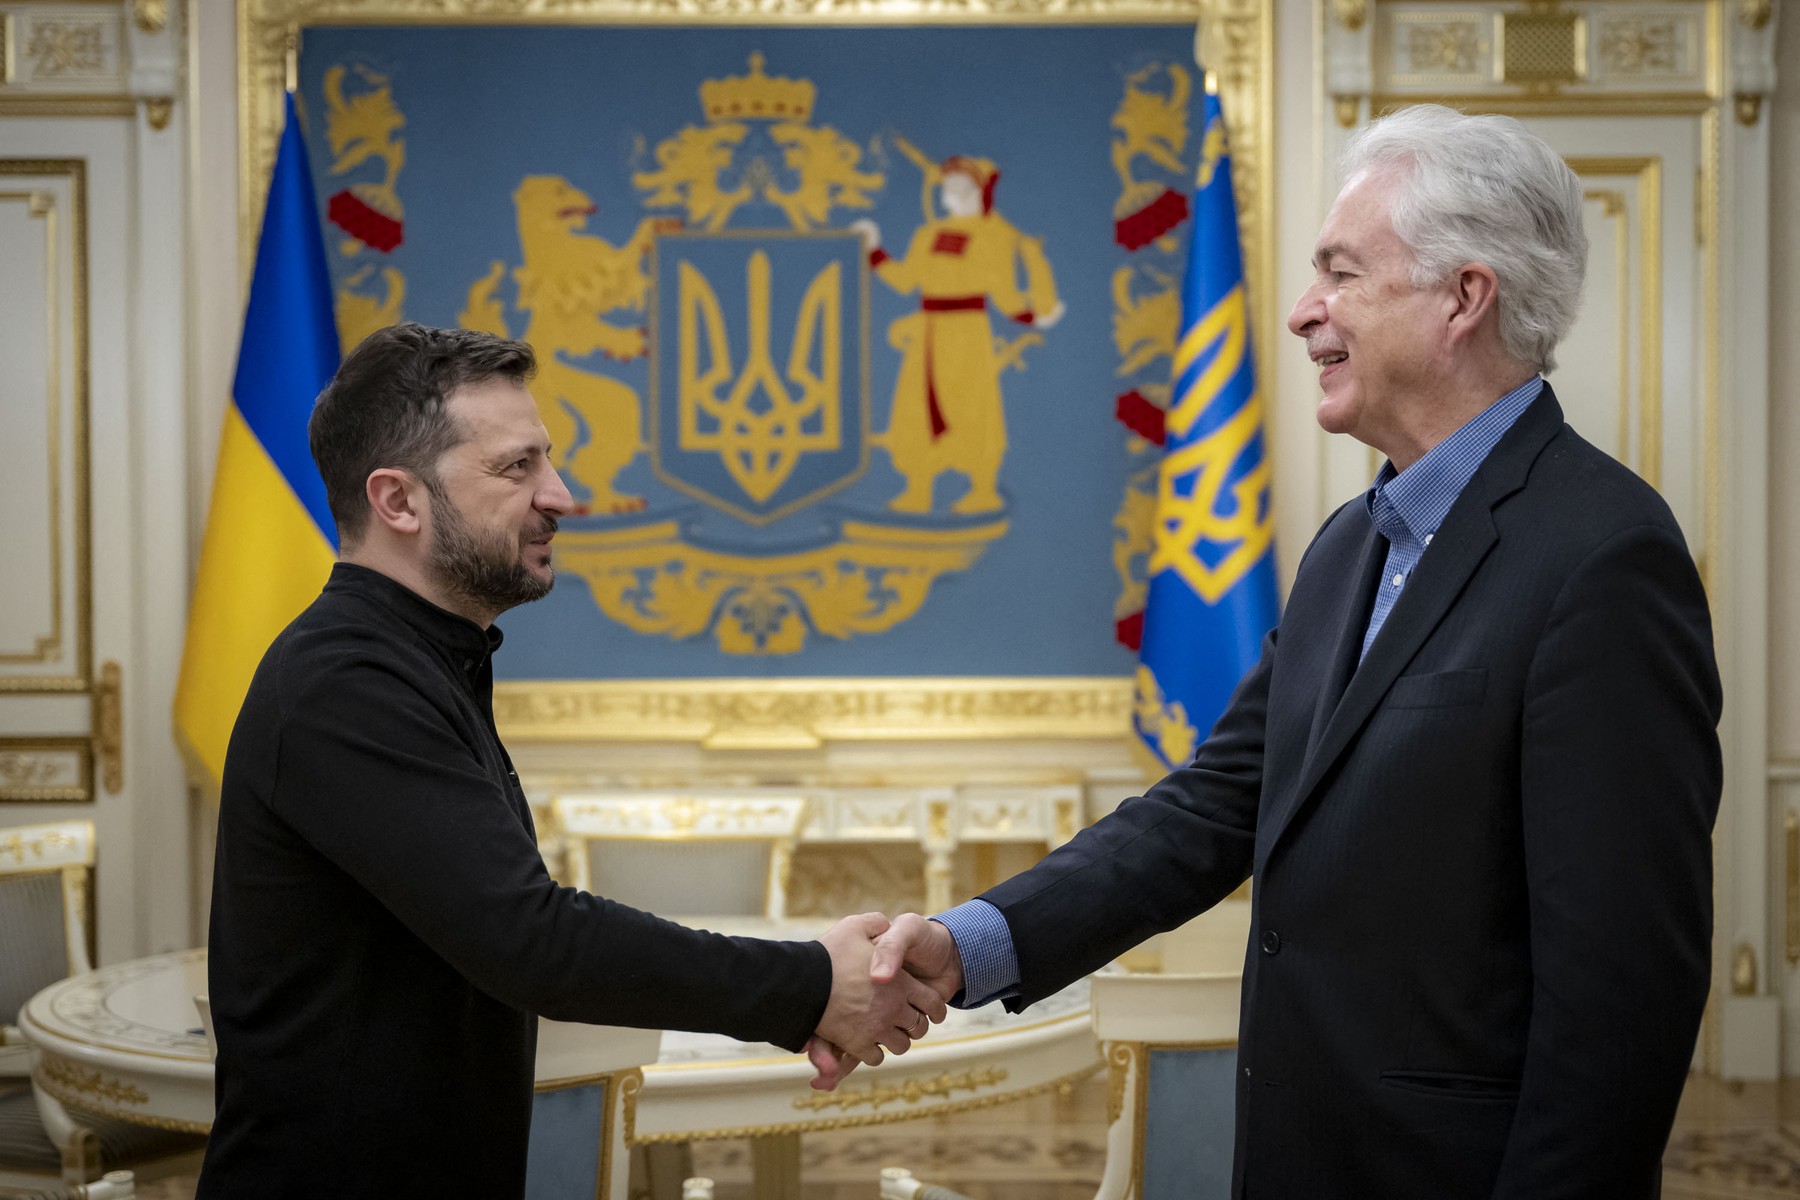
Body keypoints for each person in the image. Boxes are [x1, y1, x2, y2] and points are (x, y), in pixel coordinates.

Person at [827, 104, 1723, 1199]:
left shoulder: (1604, 556)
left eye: (1340, 275)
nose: (1303, 312)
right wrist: (973, 944)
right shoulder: (1354, 542)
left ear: (1463, 298)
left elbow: (1622, 998)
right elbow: (1218, 803)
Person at [198, 323, 944, 1198]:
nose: (563, 495)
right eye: (517, 468)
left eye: (546, 461)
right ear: (398, 501)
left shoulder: (418, 660)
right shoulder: (343, 681)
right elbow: (532, 940)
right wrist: (810, 982)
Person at [854, 153, 1063, 515]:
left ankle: (983, 490)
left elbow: (1006, 295)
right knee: (918, 410)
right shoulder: (929, 233)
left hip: (968, 333)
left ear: (978, 191)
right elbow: (907, 281)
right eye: (946, 187)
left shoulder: (996, 235)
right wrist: (874, 250)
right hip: (929, 334)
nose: (948, 194)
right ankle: (918, 489)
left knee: (971, 410)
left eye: (958, 187)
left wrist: (1032, 314)